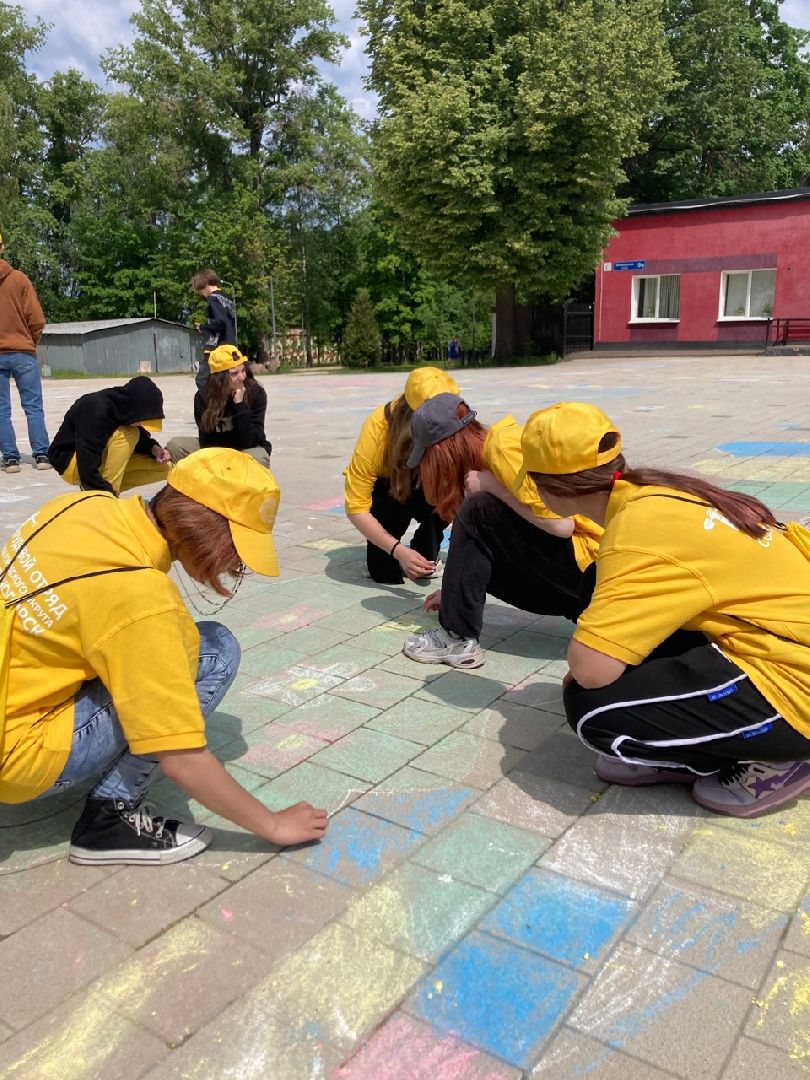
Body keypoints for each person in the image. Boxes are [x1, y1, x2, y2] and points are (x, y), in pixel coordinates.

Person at [0, 447, 327, 863]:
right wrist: (274, 825)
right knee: (213, 651)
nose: (237, 564)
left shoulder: (82, 504)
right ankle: (109, 820)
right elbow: (182, 759)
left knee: (167, 645)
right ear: (209, 531)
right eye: (237, 548)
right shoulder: (144, 600)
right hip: (16, 755)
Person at [520, 400, 810, 818]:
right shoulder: (657, 492)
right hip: (776, 639)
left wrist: (583, 671)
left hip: (795, 680)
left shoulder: (638, 531)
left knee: (592, 710)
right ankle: (694, 737)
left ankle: (780, 759)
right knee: (595, 582)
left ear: (550, 487)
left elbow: (590, 670)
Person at [402, 394, 602, 668]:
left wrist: (492, 487)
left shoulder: (504, 449)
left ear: (443, 450)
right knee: (479, 519)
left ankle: (456, 637)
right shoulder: (492, 451)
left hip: (594, 574)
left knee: (477, 508)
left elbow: (561, 525)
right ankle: (458, 618)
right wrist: (454, 592)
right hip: (584, 593)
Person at [344, 366, 459, 584]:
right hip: (389, 488)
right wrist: (397, 551)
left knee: (453, 495)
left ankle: (426, 549)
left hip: (428, 482)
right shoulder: (377, 429)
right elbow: (356, 508)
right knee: (382, 572)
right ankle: (390, 554)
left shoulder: (455, 422)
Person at [47, 376, 171, 495]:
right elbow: (87, 454)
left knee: (164, 468)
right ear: (135, 408)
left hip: (94, 460)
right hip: (72, 463)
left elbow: (141, 438)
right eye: (141, 420)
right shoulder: (95, 408)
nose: (140, 424)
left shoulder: (124, 410)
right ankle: (104, 496)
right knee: (129, 434)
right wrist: (99, 490)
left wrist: (153, 448)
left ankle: (105, 489)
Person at [167, 345, 271, 468]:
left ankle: (222, 472)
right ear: (219, 378)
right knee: (175, 446)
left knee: (260, 458)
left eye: (243, 370)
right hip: (214, 450)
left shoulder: (256, 392)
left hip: (245, 450)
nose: (242, 377)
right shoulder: (203, 397)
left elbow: (250, 440)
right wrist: (223, 453)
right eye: (234, 373)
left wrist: (239, 405)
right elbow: (206, 440)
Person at [0, 232, 52, 474]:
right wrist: (30, 342)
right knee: (33, 406)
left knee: (1, 409)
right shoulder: (19, 279)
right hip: (23, 351)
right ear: (2, 247)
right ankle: (42, 455)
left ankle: (10, 459)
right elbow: (37, 318)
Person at [192, 268, 237, 390]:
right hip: (230, 344)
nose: (201, 294)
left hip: (216, 347)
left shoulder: (213, 298)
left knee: (202, 380)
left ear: (204, 285)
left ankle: (211, 407)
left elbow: (220, 322)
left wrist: (203, 327)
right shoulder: (227, 298)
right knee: (225, 381)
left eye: (200, 290)